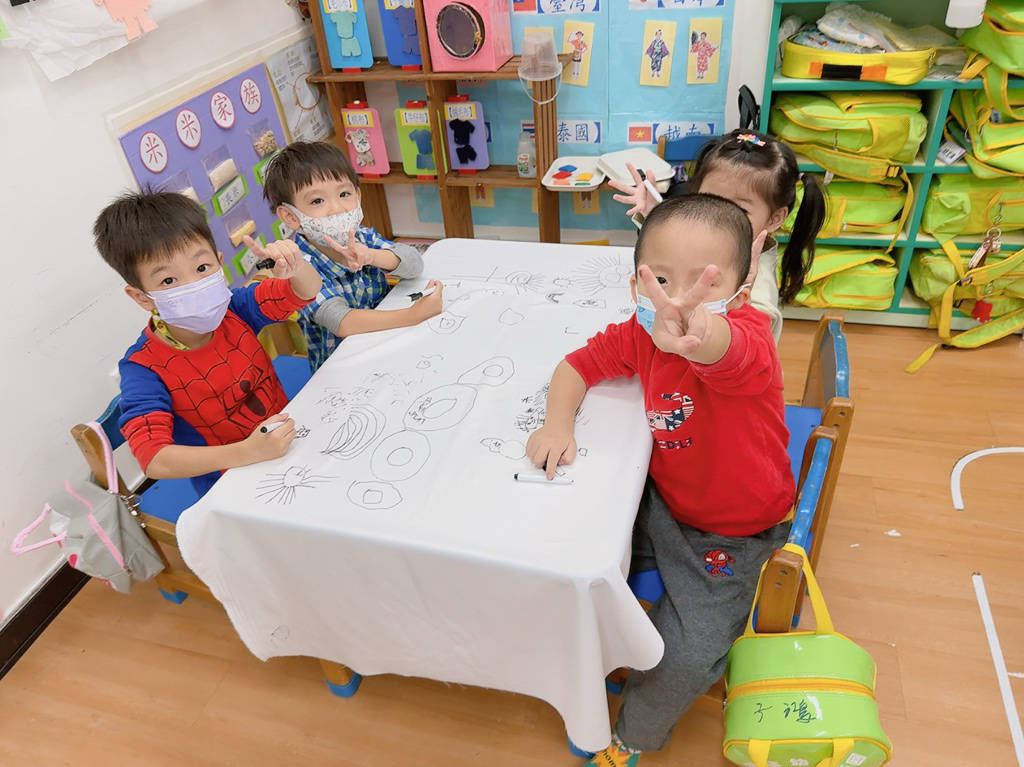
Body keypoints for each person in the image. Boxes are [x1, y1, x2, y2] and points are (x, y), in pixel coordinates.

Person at [525, 194, 794, 767]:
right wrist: (555, 424)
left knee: (689, 656)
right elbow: (576, 365)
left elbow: (727, 353)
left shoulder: (747, 338)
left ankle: (634, 733)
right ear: (635, 284)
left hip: (732, 533)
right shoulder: (640, 332)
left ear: (742, 291)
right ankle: (576, 658)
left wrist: (701, 332)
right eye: (662, 280)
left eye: (703, 283)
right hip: (666, 502)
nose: (676, 301)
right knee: (563, 549)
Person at [93, 190, 323, 497]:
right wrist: (248, 451)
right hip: (230, 485)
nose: (194, 285)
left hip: (291, 440)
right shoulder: (142, 368)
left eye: (202, 268)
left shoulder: (235, 309)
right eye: (168, 280)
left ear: (219, 263)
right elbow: (154, 459)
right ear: (142, 297)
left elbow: (306, 291)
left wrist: (297, 266)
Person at [609, 129, 826, 343]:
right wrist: (655, 215)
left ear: (775, 218)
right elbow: (678, 248)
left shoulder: (758, 283)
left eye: (739, 209)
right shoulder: (711, 240)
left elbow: (749, 341)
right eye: (709, 199)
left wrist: (743, 304)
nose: (718, 217)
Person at [262, 140, 443, 372]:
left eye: (344, 194)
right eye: (317, 201)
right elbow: (342, 321)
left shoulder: (361, 236)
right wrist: (412, 315)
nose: (337, 208)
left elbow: (415, 263)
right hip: (345, 368)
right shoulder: (299, 266)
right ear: (290, 216)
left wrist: (372, 256)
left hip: (387, 342)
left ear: (358, 195)